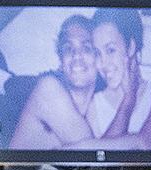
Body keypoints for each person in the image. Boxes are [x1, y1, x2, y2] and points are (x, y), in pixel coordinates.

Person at [84, 8, 151, 150]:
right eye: (97, 53)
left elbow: (145, 145)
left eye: (110, 50)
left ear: (131, 47)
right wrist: (129, 99)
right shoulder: (93, 105)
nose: (102, 63)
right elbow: (100, 158)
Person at [7, 14, 99, 148]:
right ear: (61, 62)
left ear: (99, 58)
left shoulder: (97, 108)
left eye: (86, 48)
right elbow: (92, 154)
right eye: (68, 49)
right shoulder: (48, 89)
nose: (76, 55)